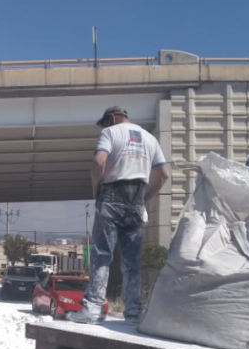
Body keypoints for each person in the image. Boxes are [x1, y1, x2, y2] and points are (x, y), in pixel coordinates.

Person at [66, 106, 171, 325]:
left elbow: (98, 163)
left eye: (105, 122)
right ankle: (133, 313)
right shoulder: (150, 139)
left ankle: (93, 309)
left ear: (112, 118)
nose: (104, 127)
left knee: (102, 255)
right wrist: (144, 199)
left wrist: (97, 188)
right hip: (137, 200)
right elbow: (163, 175)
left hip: (111, 195)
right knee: (132, 262)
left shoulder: (110, 133)